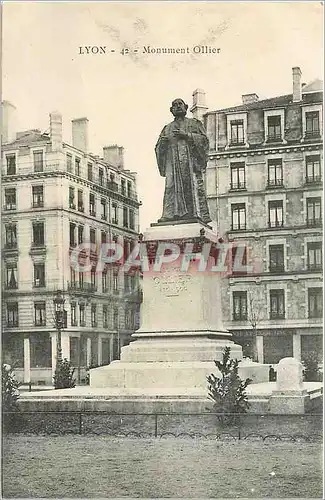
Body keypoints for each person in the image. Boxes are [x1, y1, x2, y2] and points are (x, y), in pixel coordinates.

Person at [155, 98, 211, 224]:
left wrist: (187, 135)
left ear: (186, 107)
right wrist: (162, 144)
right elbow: (158, 148)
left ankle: (193, 213)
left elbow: (204, 141)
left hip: (189, 163)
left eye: (180, 104)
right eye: (174, 105)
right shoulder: (167, 128)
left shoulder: (195, 124)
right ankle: (169, 214)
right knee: (170, 187)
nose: (178, 107)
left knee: (191, 186)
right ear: (171, 110)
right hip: (172, 164)